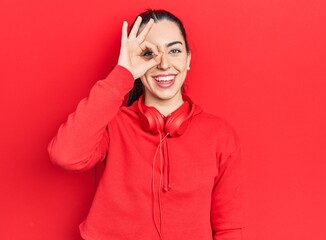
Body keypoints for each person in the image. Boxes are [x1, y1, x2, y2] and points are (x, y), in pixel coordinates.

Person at [48, 9, 243, 240]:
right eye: (150, 53)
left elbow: (229, 227)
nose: (163, 64)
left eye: (174, 50)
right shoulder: (113, 124)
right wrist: (123, 74)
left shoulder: (220, 135)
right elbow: (66, 154)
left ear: (188, 59)